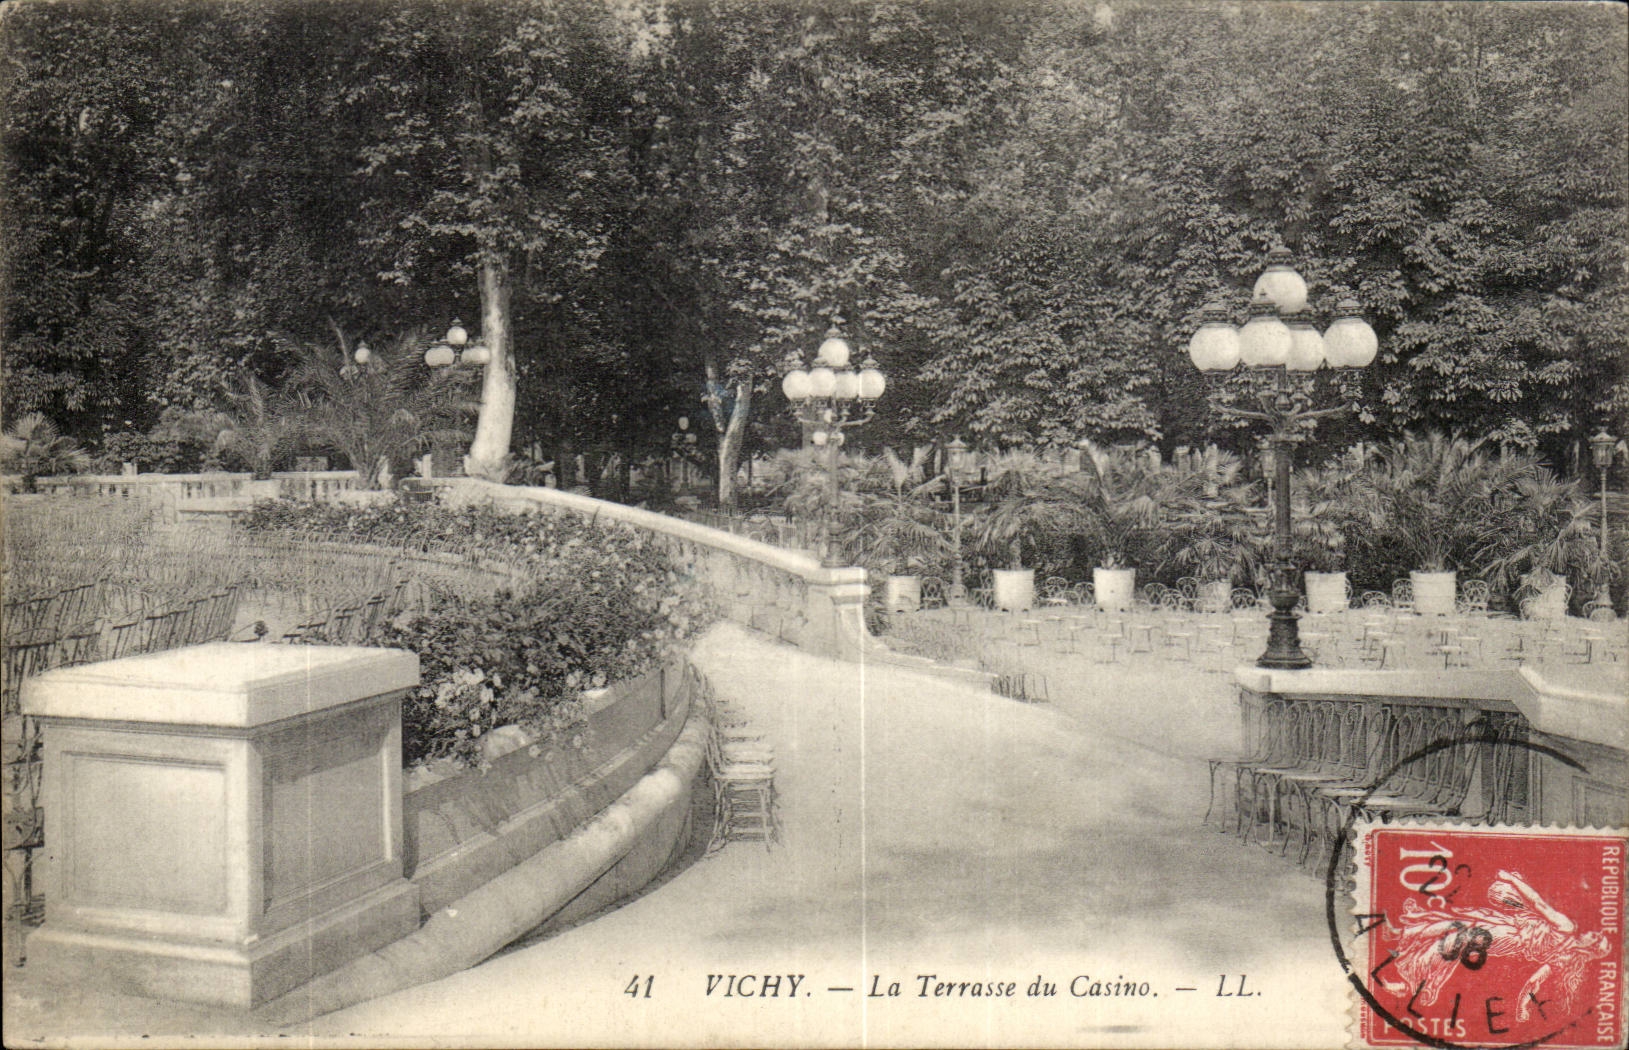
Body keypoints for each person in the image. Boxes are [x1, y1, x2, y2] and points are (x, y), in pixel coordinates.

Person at [1382, 870, 1611, 1021]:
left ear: (1591, 946)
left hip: (1509, 935)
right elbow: (1534, 981)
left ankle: (1412, 982)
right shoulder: (1565, 958)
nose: (1593, 932)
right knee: (1458, 922)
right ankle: (1400, 934)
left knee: (1456, 937)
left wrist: (1513, 881)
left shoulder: (1567, 928)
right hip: (1509, 927)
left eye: (1596, 937)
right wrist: (1522, 1006)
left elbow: (1538, 903)